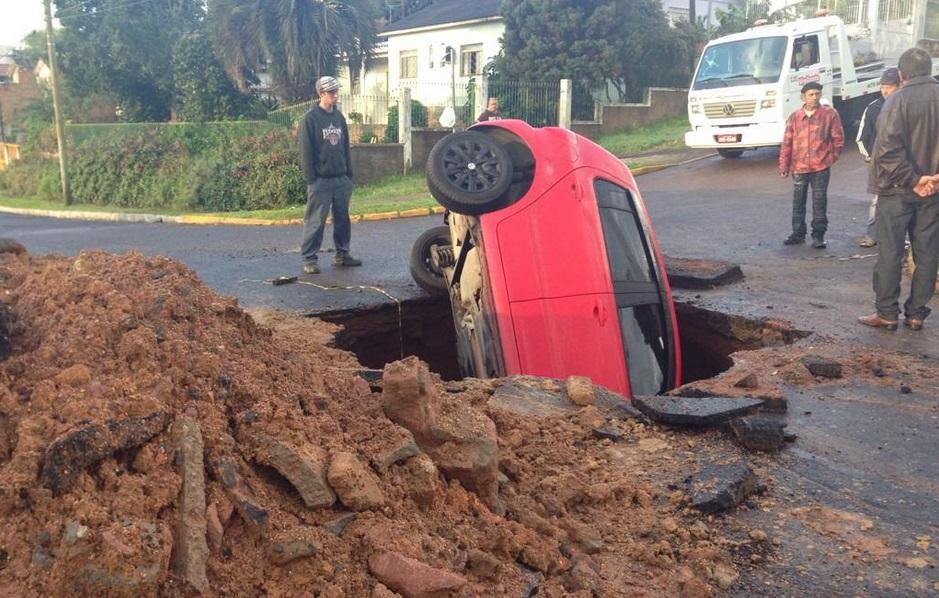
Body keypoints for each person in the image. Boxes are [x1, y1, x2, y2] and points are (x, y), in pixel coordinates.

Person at [859, 47, 939, 331]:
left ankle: (887, 313)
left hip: (897, 190)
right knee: (928, 253)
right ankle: (916, 314)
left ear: (902, 74)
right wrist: (932, 179)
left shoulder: (895, 101)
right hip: (933, 192)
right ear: (929, 70)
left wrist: (915, 180)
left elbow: (887, 152)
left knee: (891, 253)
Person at [298, 75, 361, 274]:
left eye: (336, 91)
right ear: (320, 94)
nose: (335, 95)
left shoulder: (339, 117)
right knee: (316, 221)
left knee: (343, 219)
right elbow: (305, 151)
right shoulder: (310, 119)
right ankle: (309, 258)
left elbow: (344, 147)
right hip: (320, 181)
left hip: (341, 179)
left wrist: (348, 175)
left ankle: (342, 254)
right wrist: (312, 178)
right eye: (331, 92)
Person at [779, 81, 845, 248]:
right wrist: (784, 166)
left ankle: (818, 235)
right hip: (799, 166)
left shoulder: (830, 115)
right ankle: (798, 233)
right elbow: (787, 142)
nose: (814, 97)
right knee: (798, 201)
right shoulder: (794, 117)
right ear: (803, 97)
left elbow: (838, 139)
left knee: (819, 201)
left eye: (817, 94)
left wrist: (830, 158)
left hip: (820, 167)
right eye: (810, 94)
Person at [855, 68, 900, 247]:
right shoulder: (873, 108)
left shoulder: (906, 106)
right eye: (882, 87)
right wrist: (871, 157)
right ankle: (872, 235)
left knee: (903, 200)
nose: (885, 91)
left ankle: (899, 238)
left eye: (889, 87)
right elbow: (862, 137)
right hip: (879, 164)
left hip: (903, 164)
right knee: (876, 200)